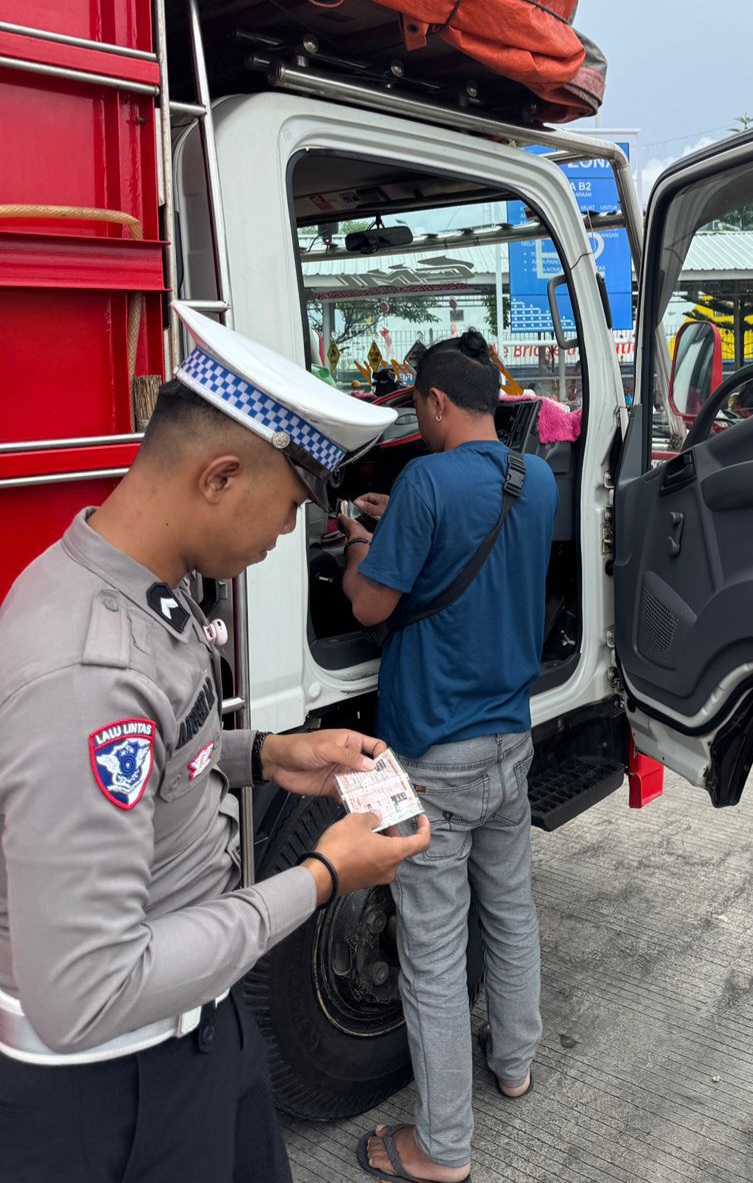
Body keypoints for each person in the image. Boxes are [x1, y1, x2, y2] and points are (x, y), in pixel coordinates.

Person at [0, 304, 431, 1183]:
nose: (288, 534)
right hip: (115, 1087)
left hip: (196, 1026)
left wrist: (266, 754)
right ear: (220, 476)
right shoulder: (87, 668)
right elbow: (88, 989)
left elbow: (161, 753)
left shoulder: (140, 586)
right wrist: (322, 877)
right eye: (290, 505)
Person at [338, 329, 557, 1183]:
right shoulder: (534, 477)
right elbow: (479, 548)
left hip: (431, 753)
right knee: (510, 910)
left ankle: (443, 1147)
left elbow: (369, 606)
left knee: (431, 951)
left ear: (432, 402)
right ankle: (516, 1062)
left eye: (417, 409)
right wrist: (400, 519)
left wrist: (361, 542)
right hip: (510, 739)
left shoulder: (423, 481)